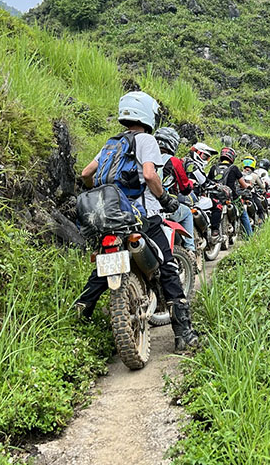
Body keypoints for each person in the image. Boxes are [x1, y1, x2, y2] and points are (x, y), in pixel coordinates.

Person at [73, 91, 199, 351]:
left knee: (102, 270)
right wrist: (165, 199)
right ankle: (184, 334)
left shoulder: (111, 143)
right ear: (148, 114)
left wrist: (102, 192)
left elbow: (86, 173)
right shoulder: (146, 139)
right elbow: (150, 175)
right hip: (143, 216)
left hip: (110, 217)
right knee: (168, 269)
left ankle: (78, 316)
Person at [155, 127, 196, 255]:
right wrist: (190, 185)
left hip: (146, 206)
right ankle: (190, 249)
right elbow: (184, 188)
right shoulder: (173, 161)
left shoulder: (145, 157)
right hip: (166, 206)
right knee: (188, 212)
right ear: (172, 143)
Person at [208, 147, 253, 238]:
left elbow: (208, 181)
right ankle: (250, 236)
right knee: (243, 214)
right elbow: (243, 185)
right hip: (231, 197)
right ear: (232, 157)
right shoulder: (234, 168)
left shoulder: (213, 168)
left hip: (215, 197)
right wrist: (248, 186)